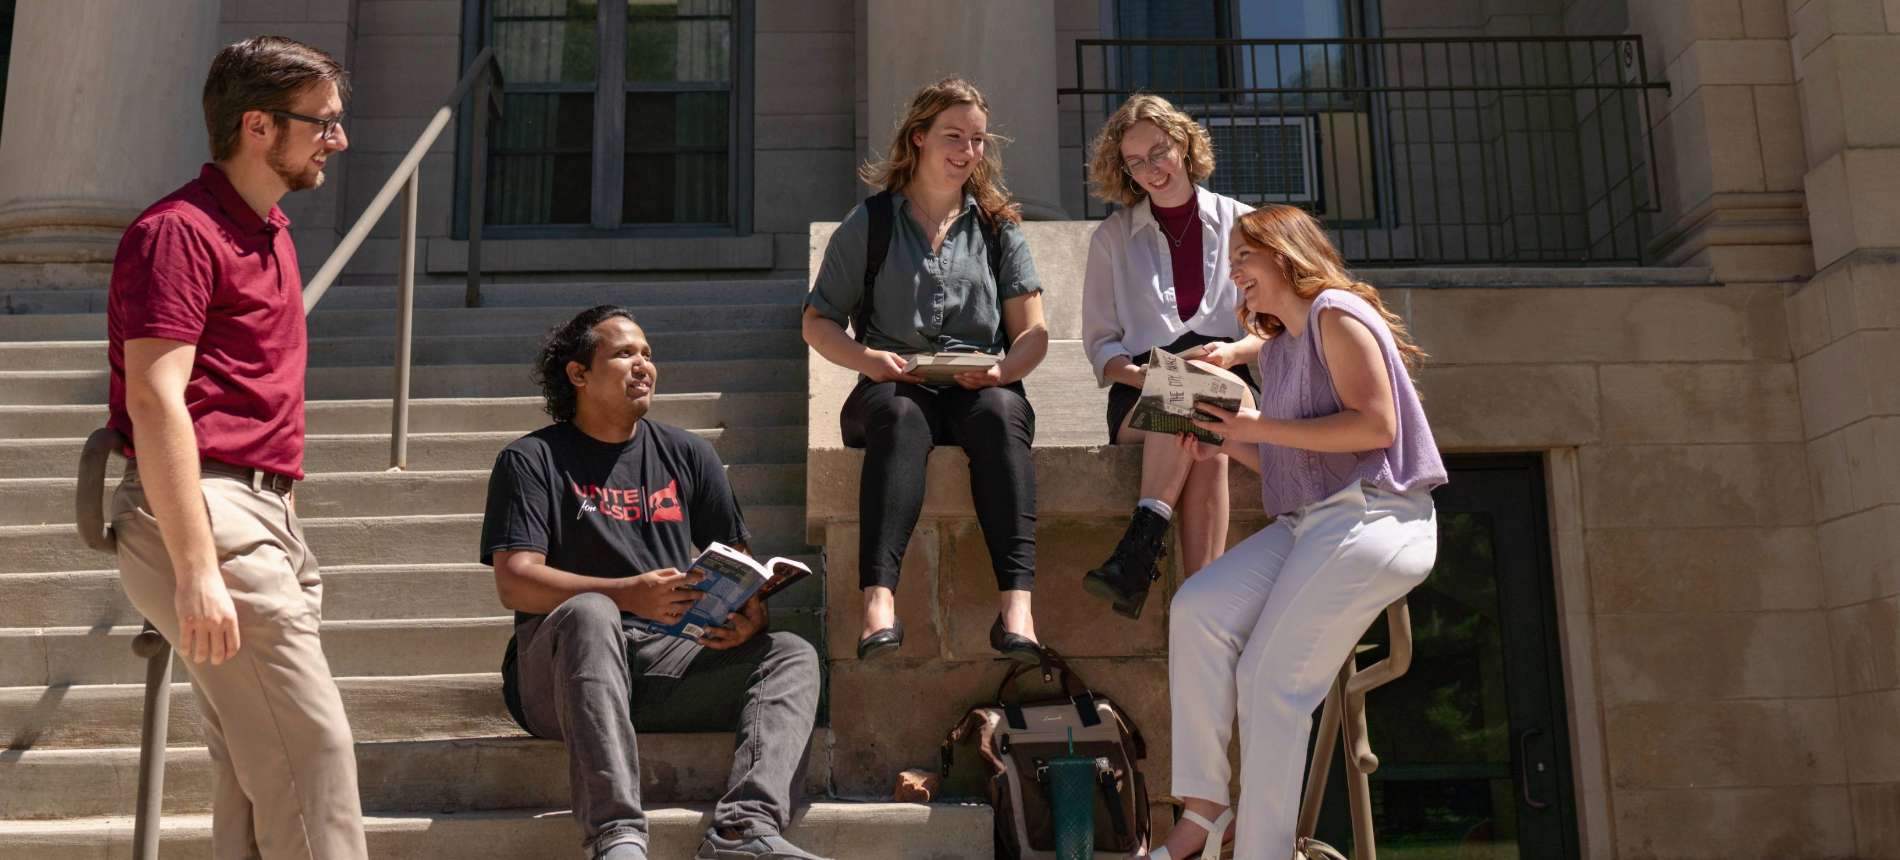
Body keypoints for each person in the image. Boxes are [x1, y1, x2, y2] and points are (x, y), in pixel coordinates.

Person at [103, 37, 365, 860]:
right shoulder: (178, 232)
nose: (339, 140)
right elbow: (155, 397)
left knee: (257, 781)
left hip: (268, 513)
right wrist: (196, 567)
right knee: (315, 759)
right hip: (209, 513)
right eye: (322, 123)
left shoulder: (272, 234)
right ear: (258, 125)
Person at [1146, 205, 1447, 860]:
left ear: (1284, 253)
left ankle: (1264, 851)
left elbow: (1375, 429)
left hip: (1380, 515)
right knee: (1197, 609)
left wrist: (1253, 427)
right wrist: (1225, 439)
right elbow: (1291, 457)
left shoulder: (1338, 315)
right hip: (1313, 521)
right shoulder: (1280, 352)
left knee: (1267, 678)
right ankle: (1204, 812)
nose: (1236, 278)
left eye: (1243, 261)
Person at [481, 306, 827, 860]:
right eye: (623, 354)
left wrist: (748, 615)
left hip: (665, 665)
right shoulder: (532, 460)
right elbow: (515, 583)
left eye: (647, 354)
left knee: (790, 653)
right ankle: (615, 835)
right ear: (578, 374)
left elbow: (740, 566)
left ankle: (744, 832)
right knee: (592, 612)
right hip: (560, 676)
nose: (643, 365)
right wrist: (626, 594)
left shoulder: (690, 454)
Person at [801, 77, 1049, 663]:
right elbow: (817, 321)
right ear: (918, 138)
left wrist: (1002, 371)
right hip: (891, 386)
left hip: (977, 384)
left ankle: (1017, 609)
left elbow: (1033, 335)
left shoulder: (998, 228)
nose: (968, 150)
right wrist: (868, 362)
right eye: (954, 136)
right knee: (901, 417)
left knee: (1002, 414)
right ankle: (879, 604)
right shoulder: (870, 224)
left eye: (978, 140)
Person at [1077, 94, 1263, 620]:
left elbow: (1271, 330)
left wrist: (1230, 353)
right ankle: (1205, 602)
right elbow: (1101, 345)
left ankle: (1139, 552)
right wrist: (1144, 376)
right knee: (1193, 407)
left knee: (1198, 393)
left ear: (1182, 142)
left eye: (1157, 153)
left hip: (1230, 379)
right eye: (1135, 162)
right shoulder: (1112, 238)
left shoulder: (1243, 224)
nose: (1150, 170)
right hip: (1138, 395)